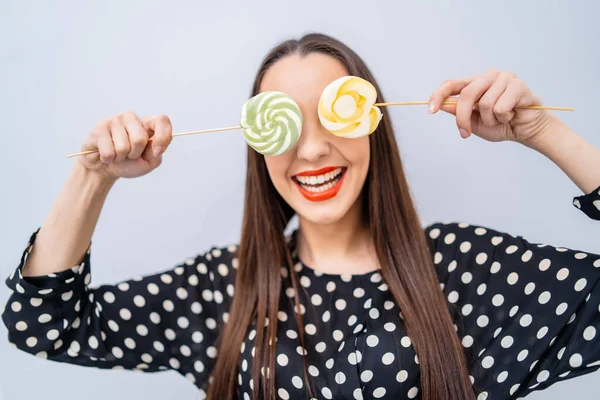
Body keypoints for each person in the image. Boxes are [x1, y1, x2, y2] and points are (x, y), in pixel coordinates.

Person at [2, 33, 600, 400]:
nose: (311, 149)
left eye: (335, 116)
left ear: (373, 124)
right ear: (257, 141)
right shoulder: (224, 290)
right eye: (285, 123)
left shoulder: (465, 270)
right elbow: (42, 325)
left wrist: (544, 132)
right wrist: (92, 176)